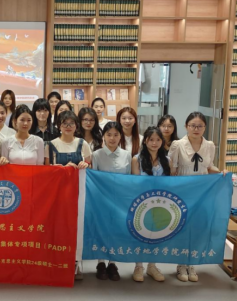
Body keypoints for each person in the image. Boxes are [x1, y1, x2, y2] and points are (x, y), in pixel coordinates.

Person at [169, 111, 226, 283]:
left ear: (205, 128)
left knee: (197, 227)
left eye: (200, 126)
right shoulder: (177, 145)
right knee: (182, 228)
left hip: (202, 194)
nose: (196, 129)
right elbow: (172, 171)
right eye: (192, 125)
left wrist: (221, 172)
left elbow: (209, 167)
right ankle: (181, 263)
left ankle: (191, 263)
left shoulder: (209, 145)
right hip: (183, 192)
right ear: (186, 126)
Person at [91, 121, 131, 281]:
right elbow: (93, 179)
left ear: (121, 136)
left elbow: (129, 179)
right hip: (101, 200)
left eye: (116, 135)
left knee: (116, 231)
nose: (112, 138)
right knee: (101, 229)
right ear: (104, 136)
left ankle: (113, 263)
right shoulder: (96, 155)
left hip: (120, 200)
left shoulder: (127, 155)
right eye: (109, 135)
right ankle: (100, 262)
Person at [131, 126, 170, 283]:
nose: (154, 143)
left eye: (158, 140)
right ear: (145, 141)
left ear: (162, 142)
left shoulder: (167, 160)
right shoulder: (136, 159)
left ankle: (152, 266)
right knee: (140, 234)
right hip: (142, 203)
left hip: (161, 204)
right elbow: (135, 183)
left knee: (157, 234)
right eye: (151, 140)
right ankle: (138, 266)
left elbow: (171, 183)